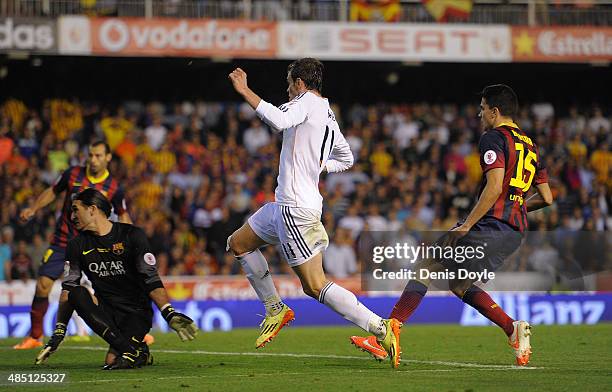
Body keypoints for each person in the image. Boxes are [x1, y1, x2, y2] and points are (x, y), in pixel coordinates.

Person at [350, 84, 553, 366]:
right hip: (514, 231)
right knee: (458, 283)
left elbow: (494, 187)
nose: (480, 114)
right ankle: (512, 328)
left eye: (483, 109)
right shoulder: (531, 146)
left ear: (495, 111)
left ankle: (388, 333)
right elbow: (547, 197)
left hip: (490, 225)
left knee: (427, 264)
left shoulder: (493, 138)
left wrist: (468, 224)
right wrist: (516, 207)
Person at [227, 58, 402, 368]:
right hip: (285, 205)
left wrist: (245, 90)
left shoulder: (305, 102)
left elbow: (278, 122)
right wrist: (319, 165)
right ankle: (274, 308)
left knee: (315, 285)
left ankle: (380, 328)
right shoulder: (327, 112)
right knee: (238, 243)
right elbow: (346, 158)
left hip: (296, 208)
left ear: (300, 84)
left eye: (288, 81)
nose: (286, 86)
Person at [35, 189, 197, 369]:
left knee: (112, 362)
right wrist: (59, 332)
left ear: (92, 209)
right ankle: (133, 351)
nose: (71, 216)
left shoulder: (132, 235)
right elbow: (68, 288)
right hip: (106, 312)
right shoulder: (76, 245)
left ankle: (133, 350)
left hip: (135, 312)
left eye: (75, 210)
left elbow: (151, 279)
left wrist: (169, 312)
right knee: (76, 292)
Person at [14, 141, 137, 349]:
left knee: (112, 288)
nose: (93, 159)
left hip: (95, 245)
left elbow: (123, 214)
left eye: (98, 155)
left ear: (108, 158)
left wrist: (131, 242)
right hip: (64, 241)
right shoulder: (72, 174)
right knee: (43, 284)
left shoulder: (114, 187)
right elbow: (53, 191)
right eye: (91, 155)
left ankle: (134, 330)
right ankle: (35, 337)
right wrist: (34, 208)